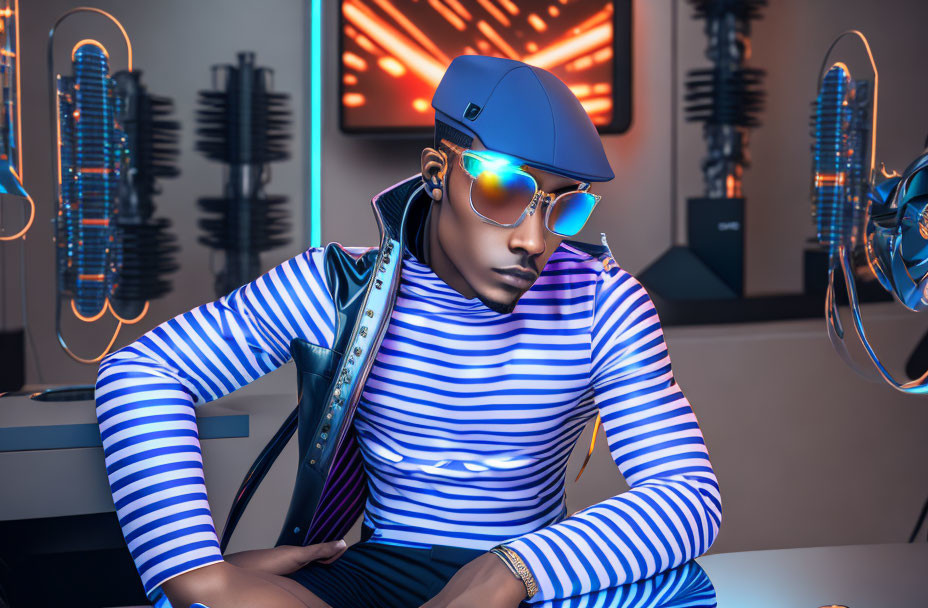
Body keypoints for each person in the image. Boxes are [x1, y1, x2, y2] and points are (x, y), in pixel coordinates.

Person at [94, 55, 721, 608]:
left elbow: (688, 494)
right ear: (435, 173)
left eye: (565, 205)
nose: (535, 240)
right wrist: (193, 572)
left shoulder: (603, 302)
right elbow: (142, 371)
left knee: (684, 588)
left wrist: (510, 571)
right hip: (371, 575)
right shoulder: (337, 287)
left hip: (529, 578)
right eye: (505, 190)